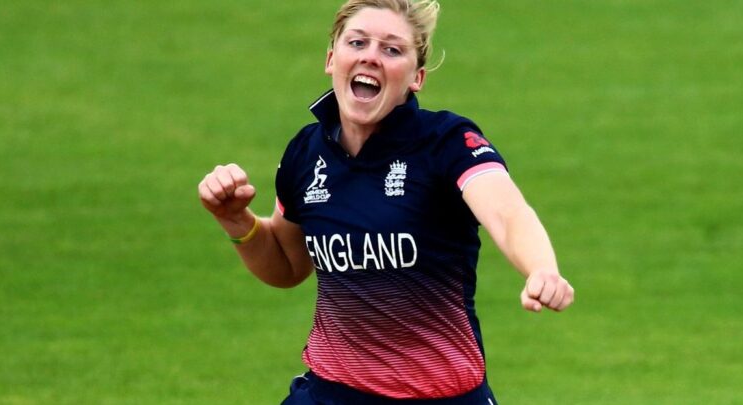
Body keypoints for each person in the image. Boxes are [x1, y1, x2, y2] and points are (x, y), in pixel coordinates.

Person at [198, 0, 574, 403]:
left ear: (417, 77)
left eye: (392, 49)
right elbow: (288, 266)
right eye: (357, 42)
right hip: (331, 392)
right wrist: (236, 220)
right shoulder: (306, 153)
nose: (371, 57)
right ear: (331, 59)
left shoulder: (446, 142)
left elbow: (507, 212)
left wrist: (541, 269)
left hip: (442, 395)